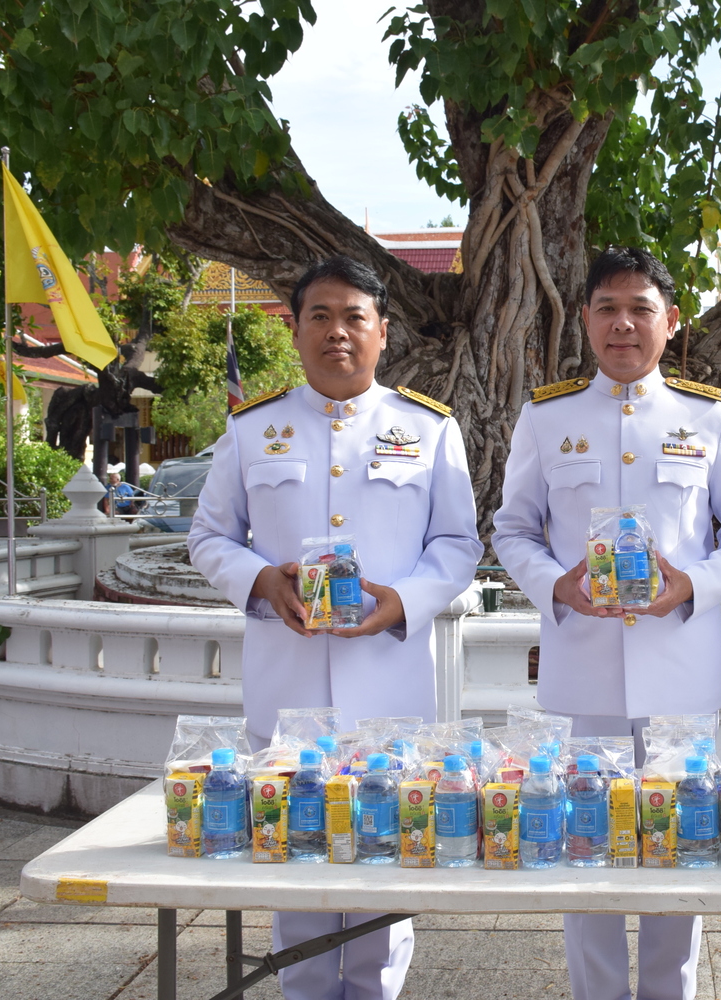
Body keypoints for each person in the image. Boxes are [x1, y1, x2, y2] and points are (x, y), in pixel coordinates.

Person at [189, 255, 482, 1000]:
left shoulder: (426, 427)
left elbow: (457, 545)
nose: (338, 332)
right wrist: (260, 579)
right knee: (297, 871)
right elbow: (209, 537)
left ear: (383, 331)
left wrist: (404, 601)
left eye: (355, 317)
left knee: (387, 868)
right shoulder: (254, 429)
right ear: (294, 330)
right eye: (319, 316)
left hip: (389, 685)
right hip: (288, 687)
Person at [492, 246, 721, 1000]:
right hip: (581, 673)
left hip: (679, 674)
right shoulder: (547, 417)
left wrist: (693, 584)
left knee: (679, 848)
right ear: (584, 319)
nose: (623, 324)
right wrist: (557, 585)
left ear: (671, 321)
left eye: (640, 309)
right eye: (607, 308)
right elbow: (511, 529)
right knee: (582, 846)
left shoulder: (707, 416)